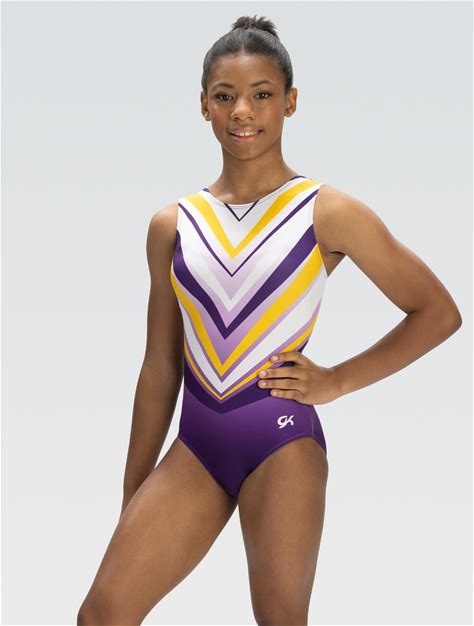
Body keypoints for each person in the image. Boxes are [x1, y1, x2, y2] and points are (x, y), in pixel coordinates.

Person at [77, 14, 462, 626]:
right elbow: (159, 367)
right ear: (203, 105)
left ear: (290, 101)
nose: (242, 112)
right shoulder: (172, 225)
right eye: (224, 96)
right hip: (197, 444)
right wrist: (135, 491)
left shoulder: (327, 211)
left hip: (282, 440)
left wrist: (336, 380)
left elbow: (437, 312)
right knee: (103, 614)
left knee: (280, 618)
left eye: (261, 95)